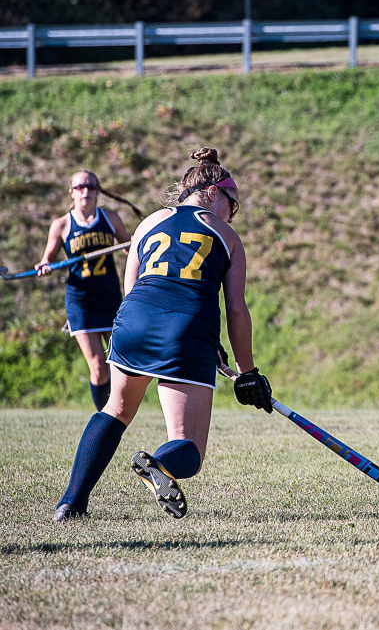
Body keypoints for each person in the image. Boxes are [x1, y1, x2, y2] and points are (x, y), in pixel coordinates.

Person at [53, 147, 273, 522]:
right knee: (187, 445)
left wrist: (205, 344)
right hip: (186, 328)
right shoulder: (226, 235)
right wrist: (247, 372)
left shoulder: (147, 223)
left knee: (116, 410)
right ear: (214, 192)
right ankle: (159, 464)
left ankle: (71, 503)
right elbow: (236, 308)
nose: (233, 213)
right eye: (233, 204)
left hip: (132, 322)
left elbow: (132, 290)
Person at [36, 170, 131, 411]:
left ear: (98, 191)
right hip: (81, 303)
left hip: (110, 299)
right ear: (72, 192)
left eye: (90, 186)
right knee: (99, 367)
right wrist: (44, 266)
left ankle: (118, 411)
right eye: (79, 187)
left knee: (119, 364)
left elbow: (129, 249)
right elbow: (48, 258)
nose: (85, 191)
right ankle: (103, 418)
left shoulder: (110, 218)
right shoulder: (62, 224)